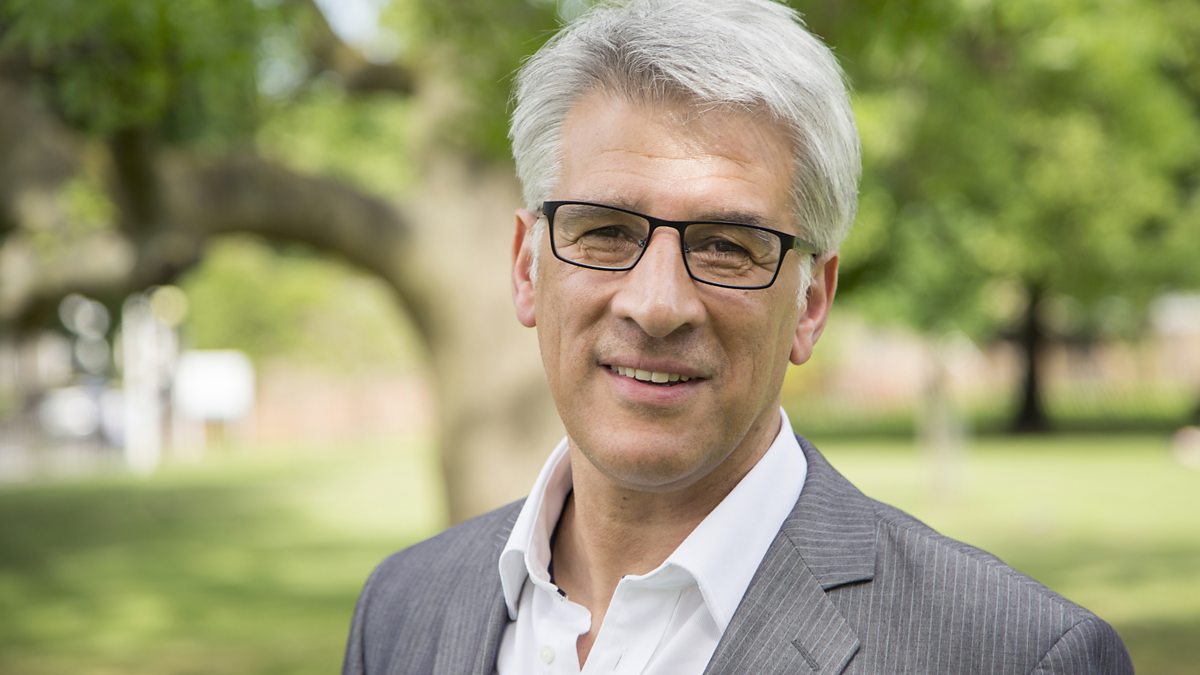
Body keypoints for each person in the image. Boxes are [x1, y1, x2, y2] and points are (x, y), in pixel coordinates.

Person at [342, 1, 1133, 673]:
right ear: (527, 267)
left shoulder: (1013, 653)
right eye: (606, 230)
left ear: (812, 302)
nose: (657, 305)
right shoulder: (402, 608)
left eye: (726, 245)